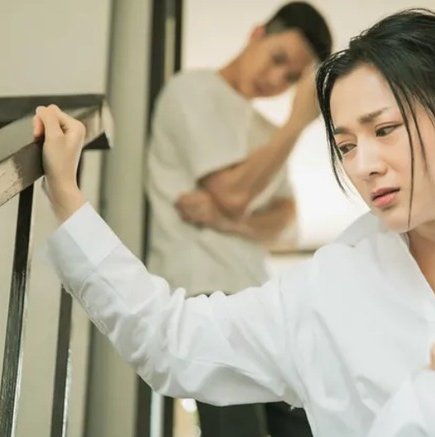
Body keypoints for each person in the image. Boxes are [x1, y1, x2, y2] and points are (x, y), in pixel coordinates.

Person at [35, 9, 435, 437]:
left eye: (385, 130)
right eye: (346, 145)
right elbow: (170, 340)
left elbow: (278, 216)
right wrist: (66, 195)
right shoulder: (326, 290)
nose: (364, 165)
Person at [144, 2, 331, 436]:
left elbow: (285, 223)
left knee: (309, 426)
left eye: (291, 78)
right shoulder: (192, 90)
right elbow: (232, 194)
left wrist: (230, 223)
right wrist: (296, 124)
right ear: (257, 34)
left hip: (259, 305)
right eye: (278, 58)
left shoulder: (266, 133)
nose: (276, 79)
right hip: (205, 299)